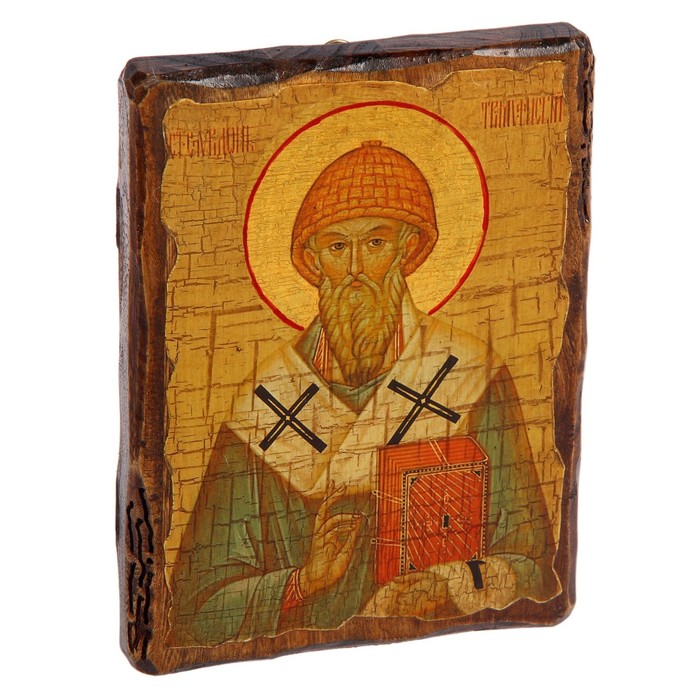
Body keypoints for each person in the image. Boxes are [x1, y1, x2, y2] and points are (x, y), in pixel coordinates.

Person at [167, 141, 558, 646]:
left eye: (374, 243)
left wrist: (449, 584)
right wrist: (302, 582)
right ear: (313, 261)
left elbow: (535, 566)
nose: (354, 268)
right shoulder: (266, 404)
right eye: (336, 247)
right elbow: (193, 610)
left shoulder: (471, 377)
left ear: (406, 250)